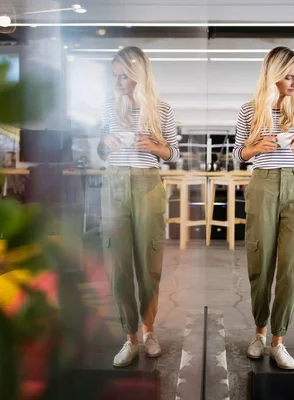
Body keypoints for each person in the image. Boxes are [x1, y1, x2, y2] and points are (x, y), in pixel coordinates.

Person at [233, 46, 294, 370]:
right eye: (288, 76)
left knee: (292, 266)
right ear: (272, 76)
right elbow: (240, 153)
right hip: (263, 183)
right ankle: (259, 333)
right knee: (260, 262)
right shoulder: (250, 110)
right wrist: (257, 146)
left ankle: (279, 340)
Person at [98, 46, 179, 367]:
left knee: (149, 263)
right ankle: (129, 337)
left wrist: (155, 146)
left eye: (124, 76)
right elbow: (103, 151)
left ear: (139, 76)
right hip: (114, 183)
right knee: (118, 264)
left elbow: (173, 152)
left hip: (148, 183)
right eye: (114, 76)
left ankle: (149, 331)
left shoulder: (161, 109)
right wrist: (104, 143)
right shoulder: (107, 107)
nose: (118, 81)